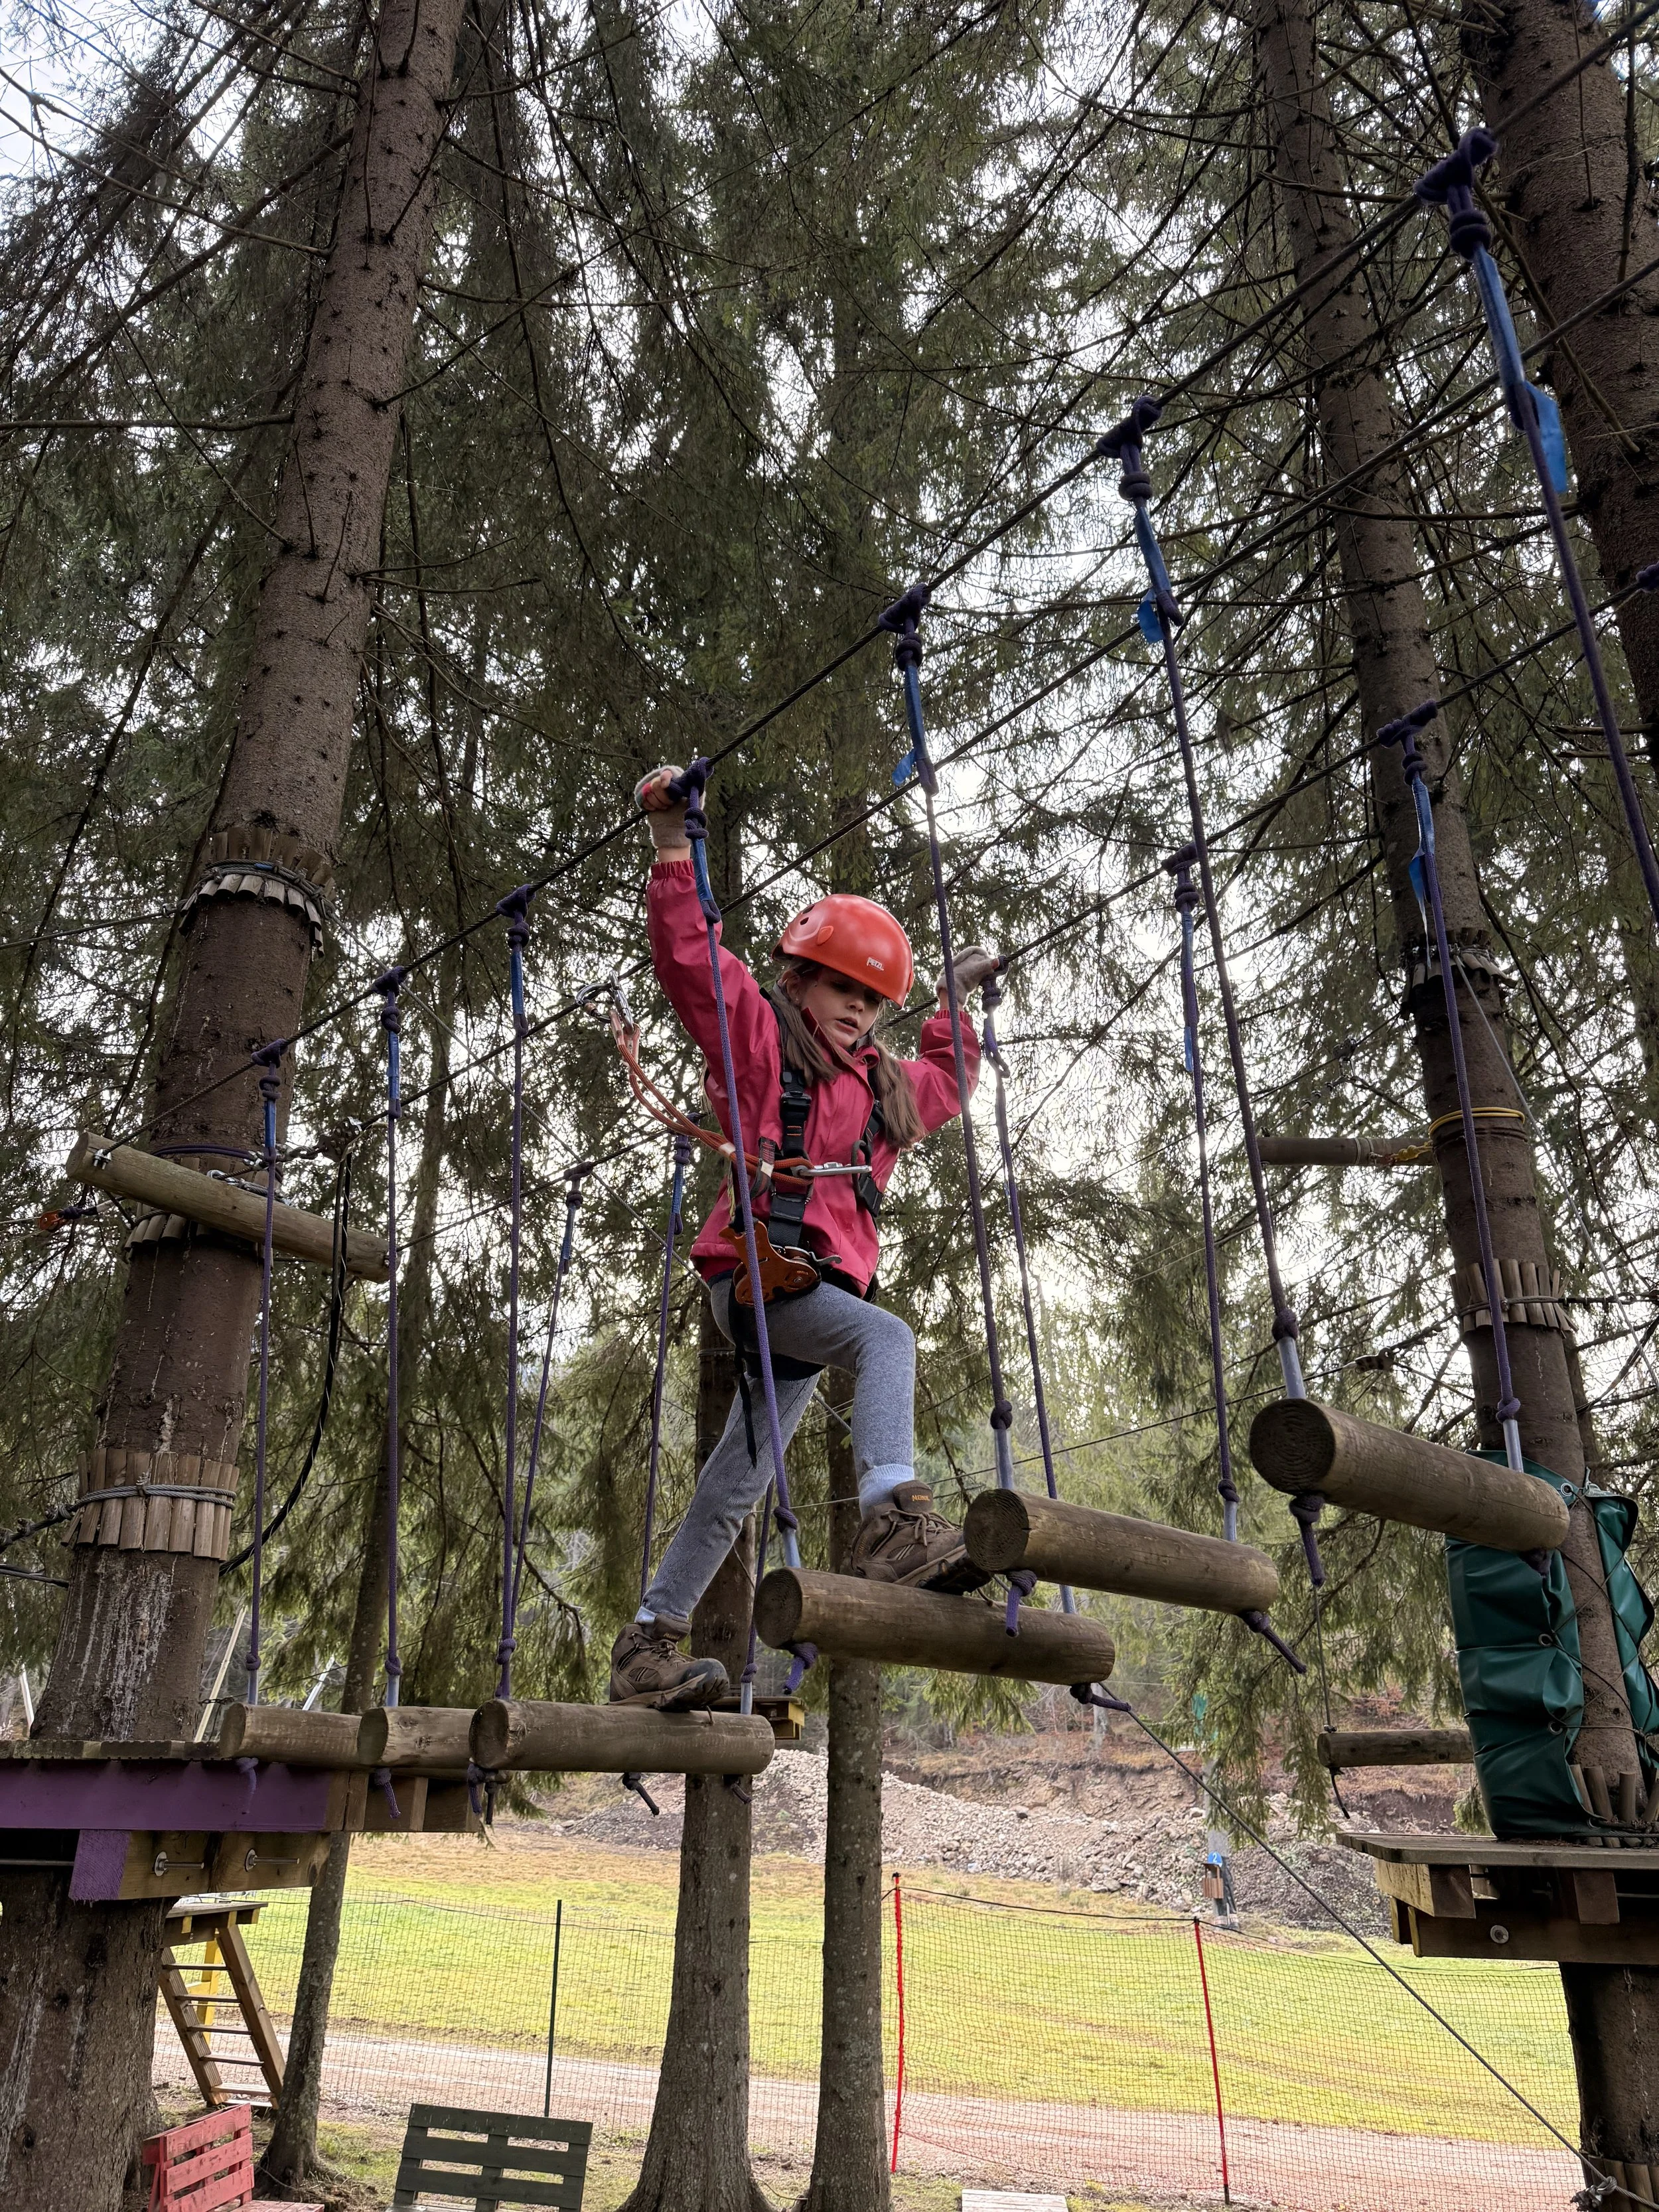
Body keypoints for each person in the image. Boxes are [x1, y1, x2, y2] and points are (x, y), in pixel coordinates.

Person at [609, 765, 999, 1710]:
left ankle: (650, 1644)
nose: (858, 1010)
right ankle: (890, 1518)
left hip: (803, 1303)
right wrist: (671, 844)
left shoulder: (884, 1091)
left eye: (874, 1001)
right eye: (841, 989)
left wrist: (950, 1001)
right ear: (796, 982)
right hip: (756, 1279)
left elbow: (945, 1083)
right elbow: (693, 963)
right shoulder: (761, 1042)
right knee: (887, 1336)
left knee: (736, 1483)